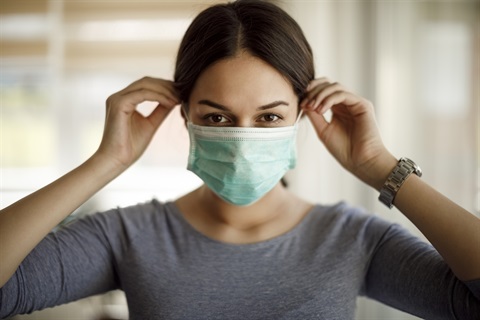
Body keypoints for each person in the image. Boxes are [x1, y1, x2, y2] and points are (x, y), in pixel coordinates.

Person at [0, 0, 479, 319]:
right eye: (219, 118)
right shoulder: (128, 235)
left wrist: (379, 165)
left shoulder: (354, 238)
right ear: (185, 115)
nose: (244, 137)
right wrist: (106, 162)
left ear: (301, 116)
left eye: (269, 118)